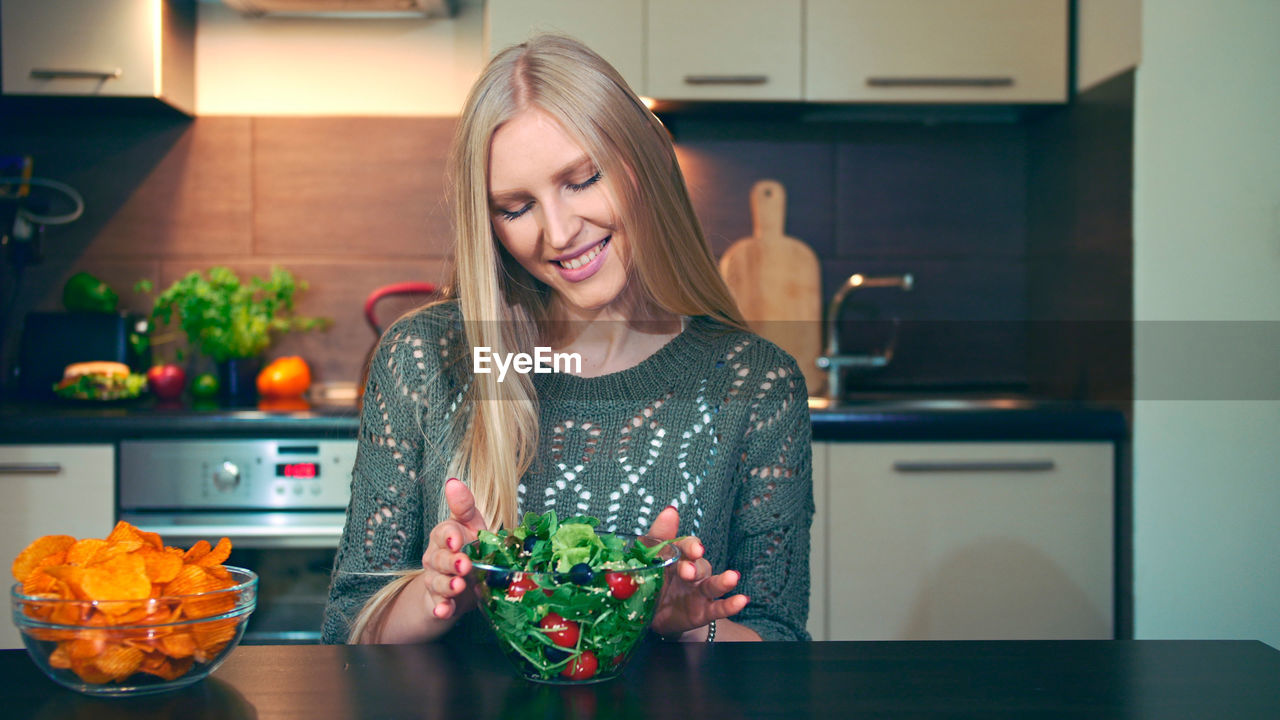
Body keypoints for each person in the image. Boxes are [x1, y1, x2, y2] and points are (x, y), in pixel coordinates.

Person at [321, 33, 813, 646]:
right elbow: (348, 628)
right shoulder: (424, 360)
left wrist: (679, 624)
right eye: (516, 207)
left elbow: (780, 645)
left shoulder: (754, 382)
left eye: (581, 180)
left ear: (644, 161)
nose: (558, 232)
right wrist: (436, 593)